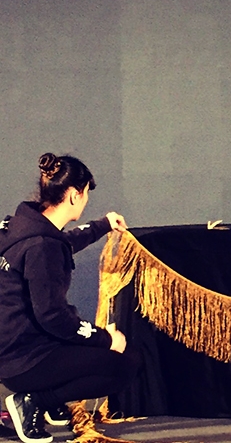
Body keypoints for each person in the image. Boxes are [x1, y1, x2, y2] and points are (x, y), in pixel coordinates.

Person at [0, 153, 141, 443]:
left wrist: (103, 225)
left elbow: (62, 244)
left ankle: (47, 399)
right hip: (24, 359)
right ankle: (33, 401)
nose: (86, 200)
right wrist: (106, 339)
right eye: (86, 193)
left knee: (88, 345)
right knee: (125, 364)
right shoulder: (42, 245)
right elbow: (52, 317)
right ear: (75, 195)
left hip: (12, 346)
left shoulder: (22, 226)